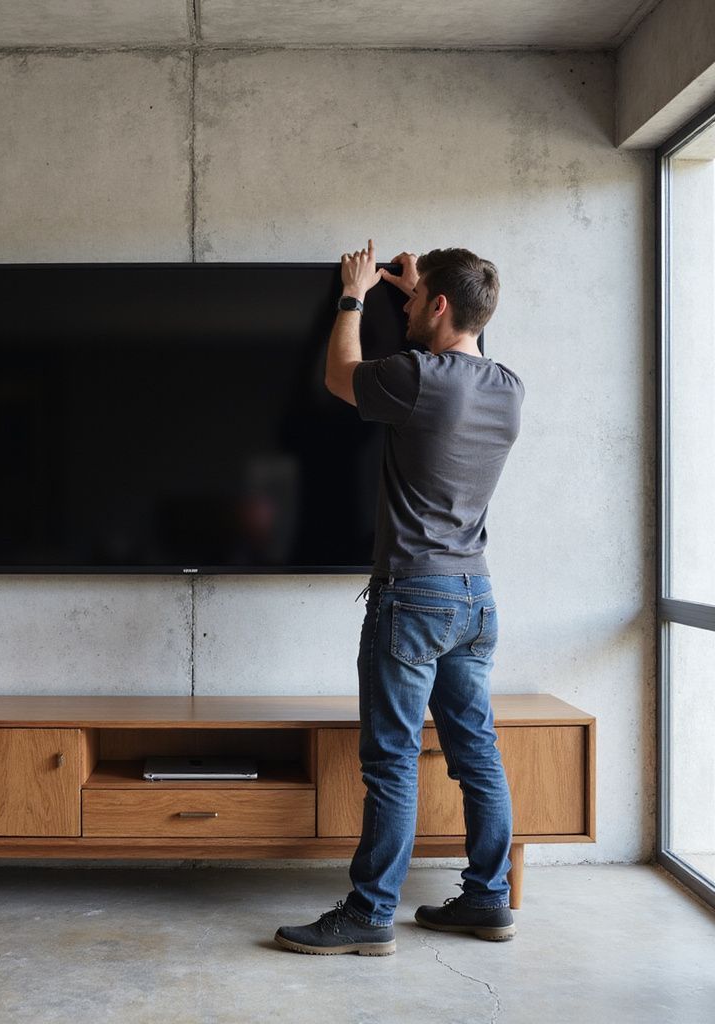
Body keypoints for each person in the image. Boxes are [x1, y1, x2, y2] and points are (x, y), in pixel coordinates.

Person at [275, 240, 525, 956]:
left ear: (440, 306)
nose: (406, 308)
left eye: (416, 300)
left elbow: (338, 377)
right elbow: (466, 351)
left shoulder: (416, 378)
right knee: (476, 753)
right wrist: (429, 292)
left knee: (390, 759)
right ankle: (488, 899)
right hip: (476, 596)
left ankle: (370, 913)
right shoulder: (507, 386)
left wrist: (354, 296)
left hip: (415, 594)